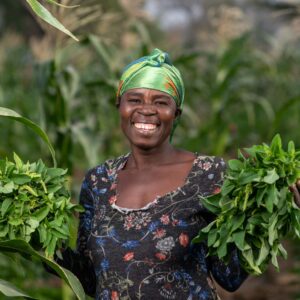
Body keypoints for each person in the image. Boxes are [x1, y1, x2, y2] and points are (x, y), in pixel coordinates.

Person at [55, 49, 300, 300]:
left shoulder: (210, 174)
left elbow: (229, 276)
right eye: (135, 100)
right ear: (120, 106)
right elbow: (89, 279)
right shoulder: (98, 181)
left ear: (176, 113)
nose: (147, 110)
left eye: (161, 102)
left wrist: (274, 213)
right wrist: (46, 243)